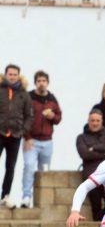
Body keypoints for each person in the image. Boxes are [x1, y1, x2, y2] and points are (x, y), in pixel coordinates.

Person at [21, 70, 62, 208]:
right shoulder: (29, 97)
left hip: (47, 142)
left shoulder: (52, 99)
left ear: (47, 83)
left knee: (44, 171)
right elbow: (22, 117)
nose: (41, 83)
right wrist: (26, 137)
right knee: (28, 166)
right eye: (39, 81)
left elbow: (58, 118)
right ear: (35, 82)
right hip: (31, 141)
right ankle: (26, 197)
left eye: (44, 81)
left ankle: (42, 200)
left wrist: (52, 117)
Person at [0, 64, 33, 209]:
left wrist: (22, 131)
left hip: (15, 136)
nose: (12, 76)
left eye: (15, 74)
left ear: (18, 76)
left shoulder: (24, 95)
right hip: (0, 133)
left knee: (10, 167)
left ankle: (5, 196)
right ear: (5, 75)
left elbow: (29, 116)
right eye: (10, 74)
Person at [76, 109, 105, 221]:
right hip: (91, 176)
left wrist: (93, 148)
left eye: (97, 120)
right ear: (88, 121)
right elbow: (85, 154)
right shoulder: (81, 137)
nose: (95, 123)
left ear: (101, 121)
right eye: (92, 120)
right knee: (96, 206)